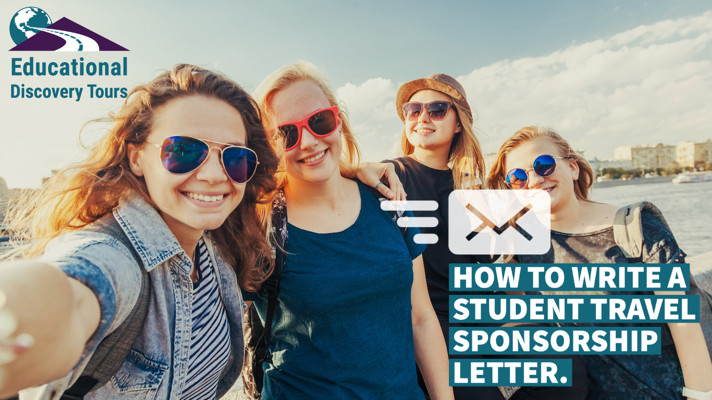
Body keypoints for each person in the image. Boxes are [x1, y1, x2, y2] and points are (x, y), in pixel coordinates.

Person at [0, 64, 279, 399]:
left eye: (235, 158)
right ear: (135, 157)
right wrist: (17, 316)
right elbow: (73, 292)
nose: (215, 175)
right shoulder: (113, 257)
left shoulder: (214, 249)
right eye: (183, 151)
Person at [357, 74, 590, 400]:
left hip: (477, 322)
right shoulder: (389, 175)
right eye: (413, 110)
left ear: (457, 123)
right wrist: (353, 168)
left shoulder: (472, 189)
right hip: (424, 326)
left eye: (437, 109)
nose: (423, 117)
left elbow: (501, 273)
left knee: (569, 371)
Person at [244, 62, 453, 400]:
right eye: (286, 133)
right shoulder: (259, 226)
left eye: (319, 121)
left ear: (338, 119)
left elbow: (421, 318)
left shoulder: (389, 199)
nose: (309, 141)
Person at [487, 125, 712, 399]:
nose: (534, 181)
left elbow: (685, 326)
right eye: (518, 178)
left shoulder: (635, 227)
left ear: (573, 168)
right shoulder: (520, 253)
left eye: (543, 165)